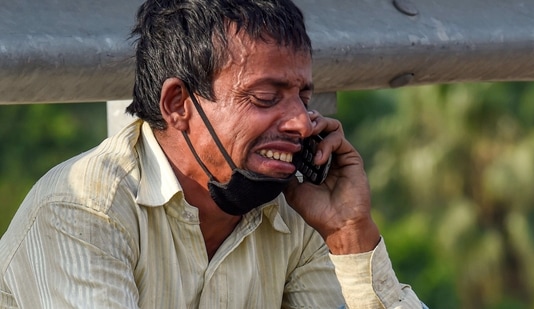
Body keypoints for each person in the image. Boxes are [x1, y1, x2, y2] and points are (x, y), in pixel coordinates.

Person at [0, 0, 426, 308]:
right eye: (265, 97)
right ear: (178, 105)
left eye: (303, 96)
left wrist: (349, 233)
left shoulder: (299, 211)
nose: (301, 122)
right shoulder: (84, 210)